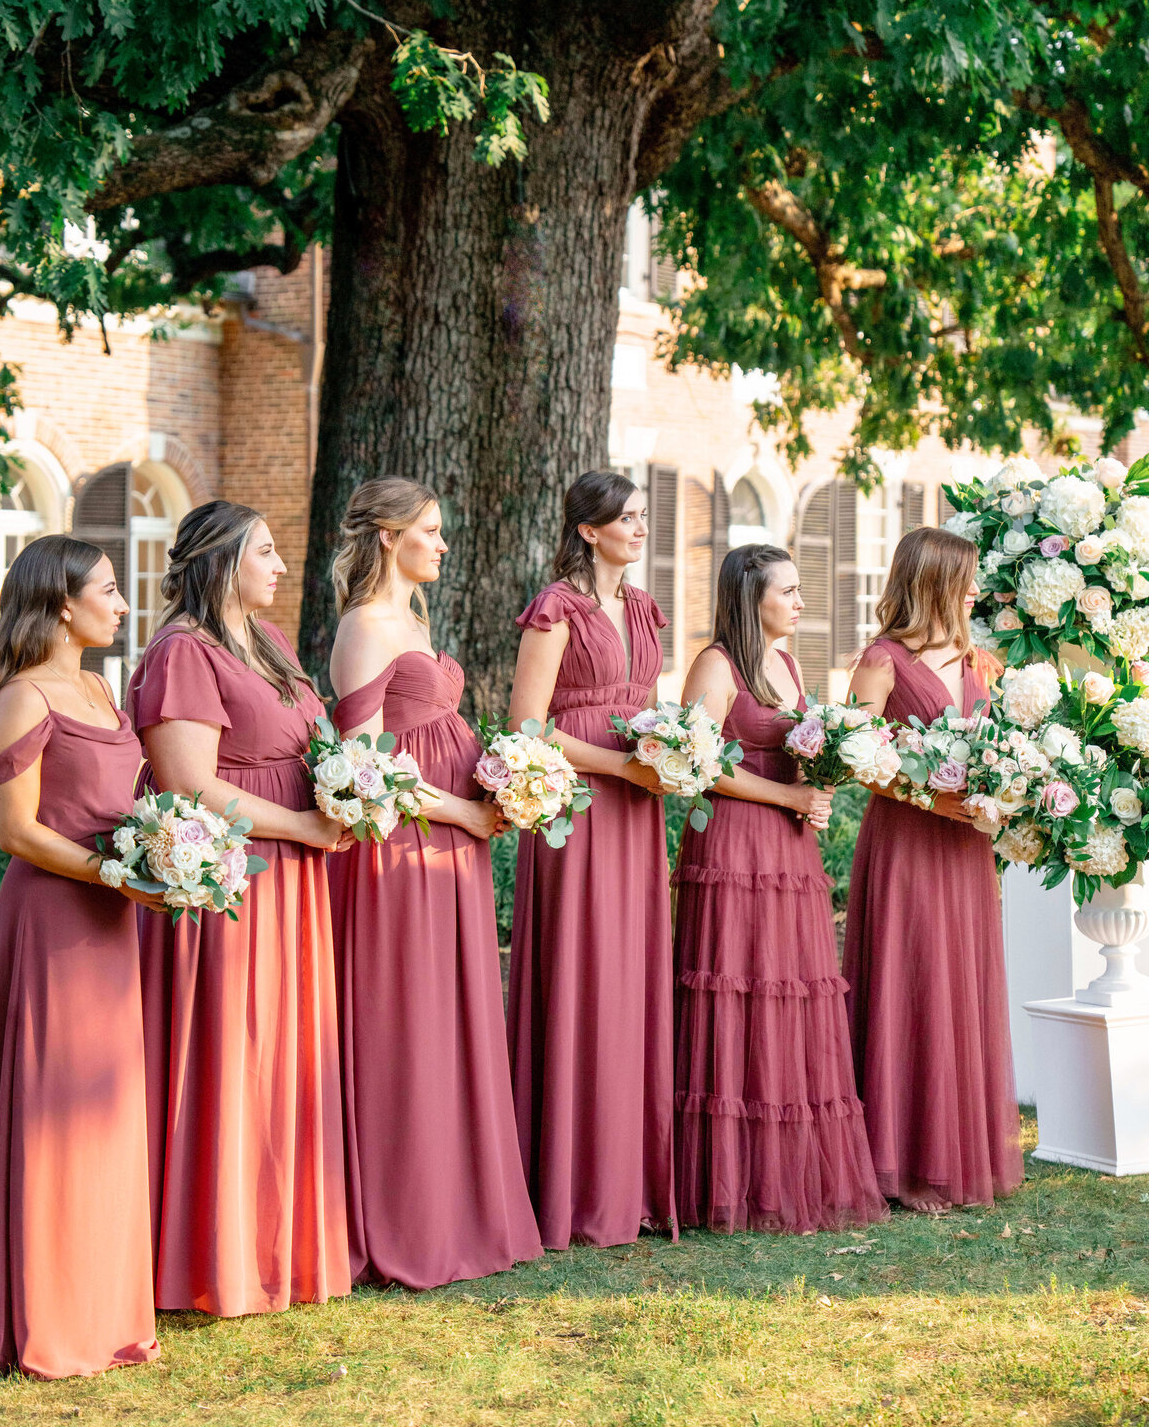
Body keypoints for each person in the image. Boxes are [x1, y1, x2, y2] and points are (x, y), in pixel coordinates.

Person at [127, 501, 357, 1314]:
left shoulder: (271, 645)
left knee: (286, 1056)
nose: (282, 567)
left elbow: (314, 742)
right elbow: (188, 781)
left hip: (292, 875)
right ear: (222, 560)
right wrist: (299, 822)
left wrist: (353, 791)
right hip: (231, 874)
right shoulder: (183, 654)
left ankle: (277, 1242)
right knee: (233, 1048)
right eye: (266, 552)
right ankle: (210, 1253)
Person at [0, 536, 160, 1377]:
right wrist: (117, 872)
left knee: (108, 1108)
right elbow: (17, 831)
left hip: (115, 917)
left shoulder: (104, 689)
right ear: (64, 603)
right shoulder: (24, 698)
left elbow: (128, 799)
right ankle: (50, 1315)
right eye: (108, 590)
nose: (121, 603)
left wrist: (164, 856)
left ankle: (108, 1304)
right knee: (55, 1104)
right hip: (55, 919)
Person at [326, 477, 542, 1287]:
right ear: (388, 536)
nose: (443, 544)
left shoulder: (413, 618)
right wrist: (459, 807)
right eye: (430, 530)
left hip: (454, 844)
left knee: (454, 1015)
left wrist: (503, 782)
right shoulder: (363, 628)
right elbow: (368, 765)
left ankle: (458, 1201)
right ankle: (403, 1212)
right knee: (409, 1020)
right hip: (403, 853)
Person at [673, 544, 887, 1233]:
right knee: (737, 988)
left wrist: (818, 788)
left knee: (789, 990)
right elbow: (696, 762)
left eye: (799, 590)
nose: (800, 602)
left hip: (791, 853)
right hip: (733, 840)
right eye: (787, 591)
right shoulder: (716, 664)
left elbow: (803, 753)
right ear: (750, 597)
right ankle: (724, 1179)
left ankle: (790, 1173)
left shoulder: (789, 664)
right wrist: (787, 797)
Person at [506, 470, 675, 1249]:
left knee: (634, 976)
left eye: (644, 516)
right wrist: (621, 767)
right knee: (584, 974)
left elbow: (646, 704)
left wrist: (671, 753)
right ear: (588, 530)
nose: (641, 529)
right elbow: (528, 728)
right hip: (575, 811)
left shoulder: (644, 609)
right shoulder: (554, 610)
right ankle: (570, 1186)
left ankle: (628, 1178)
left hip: (640, 807)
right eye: (628, 518)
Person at [843, 525, 1024, 1211]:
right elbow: (854, 758)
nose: (977, 589)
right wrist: (933, 800)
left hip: (967, 847)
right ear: (936, 582)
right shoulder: (883, 660)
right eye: (968, 577)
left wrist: (1007, 795)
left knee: (961, 981)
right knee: (911, 978)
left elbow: (1010, 749)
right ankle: (904, 1162)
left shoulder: (984, 663)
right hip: (907, 843)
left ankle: (961, 1151)